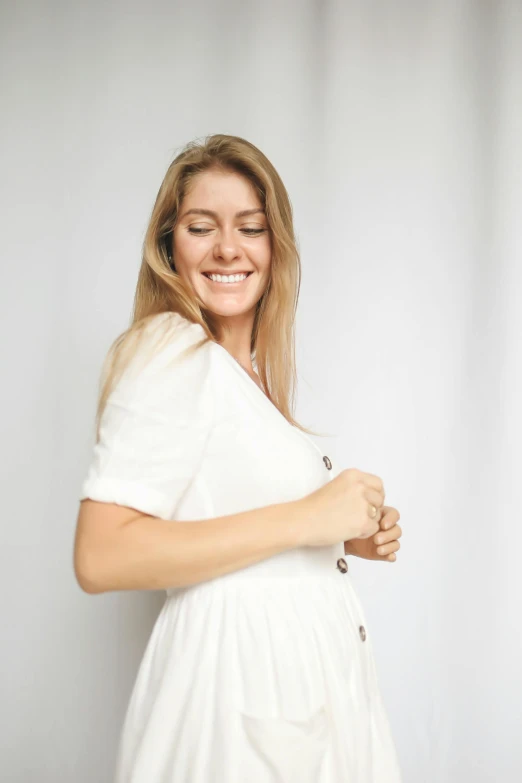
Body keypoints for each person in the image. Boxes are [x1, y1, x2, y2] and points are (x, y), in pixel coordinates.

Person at [74, 133, 403, 782]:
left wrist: (336, 537)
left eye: (250, 227)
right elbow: (100, 554)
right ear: (170, 244)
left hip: (294, 708)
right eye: (202, 227)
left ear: (275, 245)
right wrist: (307, 518)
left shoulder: (244, 375)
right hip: (232, 714)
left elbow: (236, 523)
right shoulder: (169, 349)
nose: (228, 247)